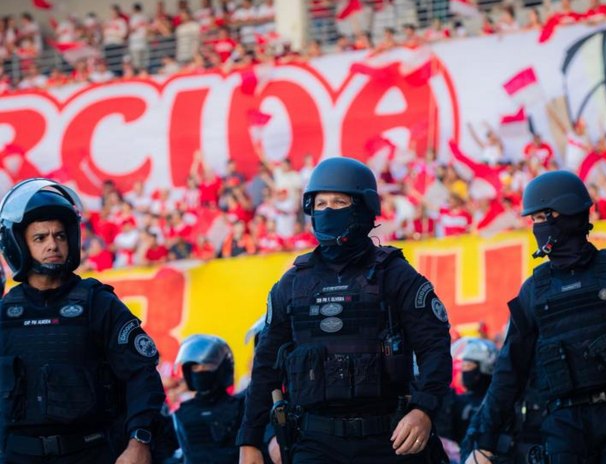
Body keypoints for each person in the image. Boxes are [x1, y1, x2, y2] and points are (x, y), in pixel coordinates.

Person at [237, 157, 452, 463]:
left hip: (388, 439)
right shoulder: (292, 284)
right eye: (320, 203)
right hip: (315, 443)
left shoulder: (395, 275)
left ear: (363, 208)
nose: (327, 210)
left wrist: (423, 410)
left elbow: (435, 349)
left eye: (338, 201)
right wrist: (250, 440)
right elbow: (265, 369)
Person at [463, 171, 606, 464]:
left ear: (566, 214)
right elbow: (509, 370)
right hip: (566, 427)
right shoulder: (533, 291)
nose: (536, 227)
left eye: (543, 217)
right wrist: (483, 439)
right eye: (534, 220)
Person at [0, 178, 165, 463]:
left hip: (89, 452)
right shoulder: (5, 312)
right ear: (19, 245)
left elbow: (142, 375)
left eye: (60, 236)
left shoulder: (98, 303)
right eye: (40, 238)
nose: (53, 244)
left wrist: (139, 440)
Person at [172, 334, 244, 464]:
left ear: (222, 368)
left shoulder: (242, 408)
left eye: (207, 366)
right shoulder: (180, 415)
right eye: (195, 367)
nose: (200, 372)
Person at [436, 339, 498, 445]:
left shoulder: (496, 401)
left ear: (485, 368)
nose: (464, 372)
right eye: (463, 366)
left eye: (469, 366)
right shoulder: (456, 401)